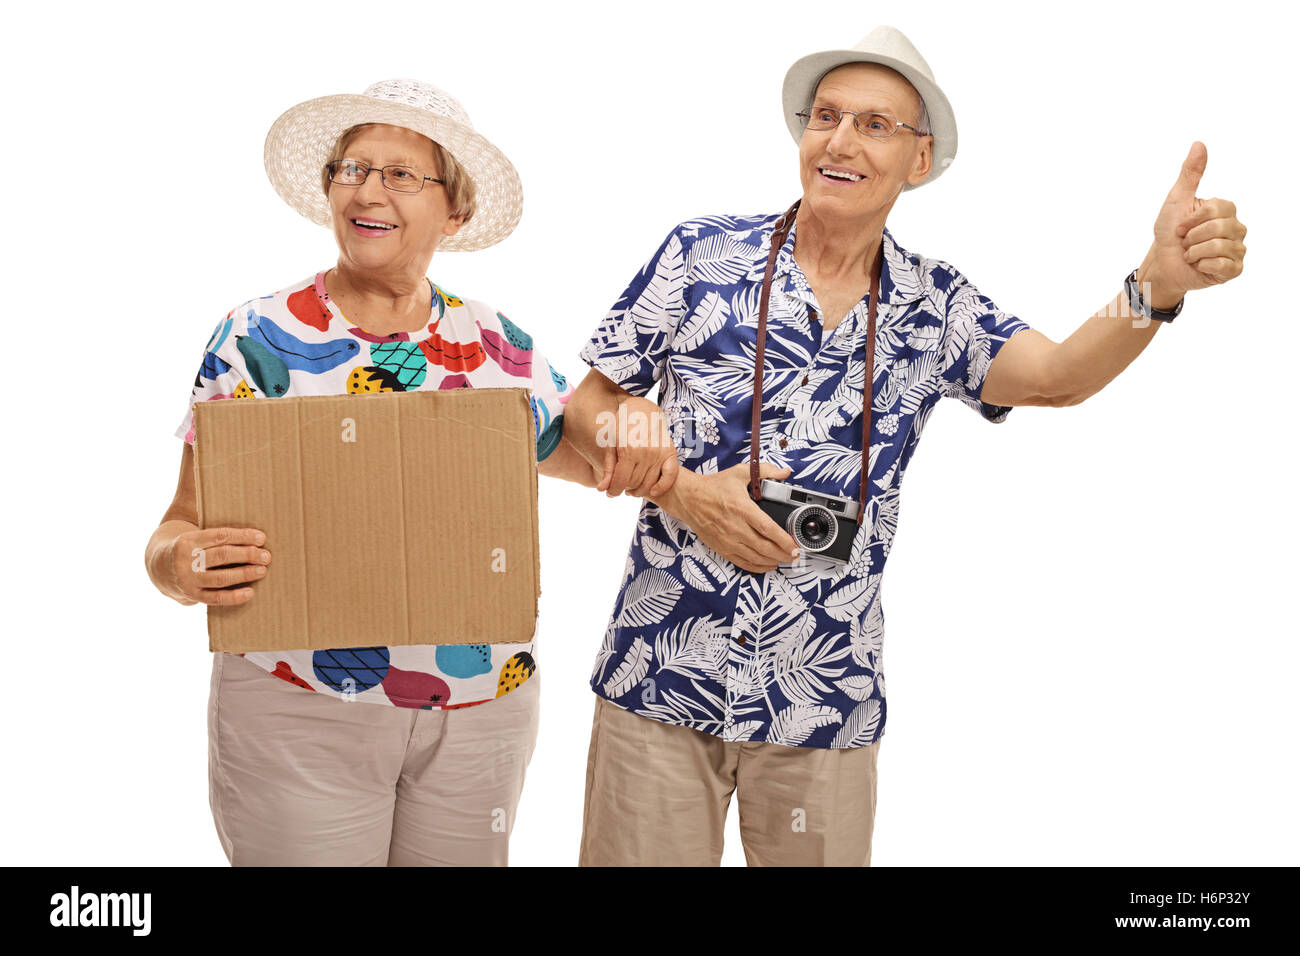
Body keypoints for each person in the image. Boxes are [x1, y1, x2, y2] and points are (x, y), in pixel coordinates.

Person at [561, 25, 1247, 866]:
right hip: (657, 680)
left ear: (919, 160)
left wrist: (1155, 288)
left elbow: (1060, 374)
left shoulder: (939, 304)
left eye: (875, 125)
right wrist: (679, 485)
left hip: (825, 699)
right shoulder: (700, 254)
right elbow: (592, 401)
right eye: (826, 117)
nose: (841, 141)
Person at [143, 79, 603, 866]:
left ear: (452, 213)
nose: (368, 190)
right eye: (353, 168)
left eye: (400, 175)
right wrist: (184, 567)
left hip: (481, 714)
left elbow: (603, 458)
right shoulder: (256, 334)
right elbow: (174, 531)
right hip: (299, 706)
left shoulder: (497, 346)